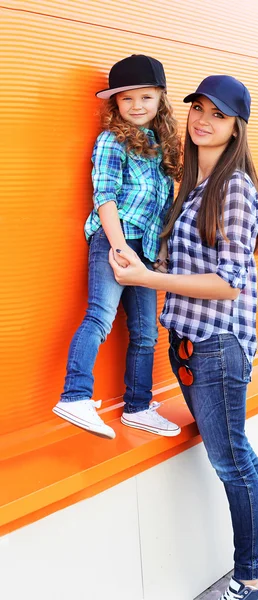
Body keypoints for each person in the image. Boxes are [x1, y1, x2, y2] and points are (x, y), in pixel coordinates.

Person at [108, 75, 258, 599]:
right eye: (198, 108)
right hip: (189, 342)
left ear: (236, 126)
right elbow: (186, 261)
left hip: (219, 344)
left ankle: (252, 576)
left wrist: (147, 280)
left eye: (218, 115)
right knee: (236, 453)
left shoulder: (235, 188)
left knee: (230, 463)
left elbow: (229, 284)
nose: (202, 120)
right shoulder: (194, 184)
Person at [53, 54, 182, 440]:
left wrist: (157, 255)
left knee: (145, 333)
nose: (137, 106)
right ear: (115, 104)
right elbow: (104, 196)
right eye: (127, 99)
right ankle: (75, 395)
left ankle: (138, 406)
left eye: (145, 97)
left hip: (145, 248)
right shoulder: (111, 140)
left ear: (160, 98)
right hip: (114, 240)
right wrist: (118, 245)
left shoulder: (163, 144)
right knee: (100, 316)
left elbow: (164, 205)